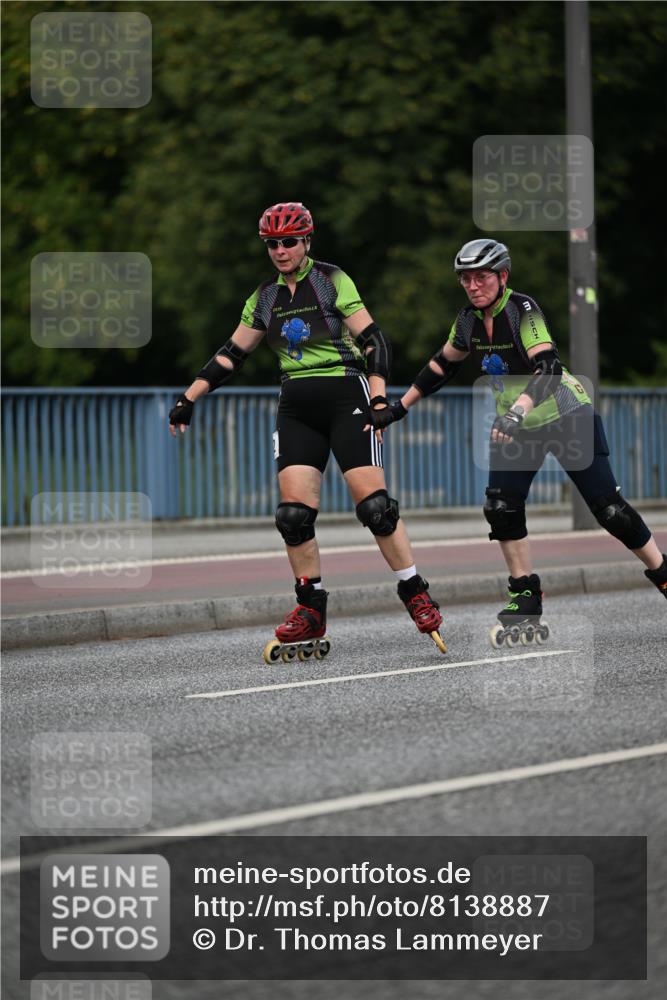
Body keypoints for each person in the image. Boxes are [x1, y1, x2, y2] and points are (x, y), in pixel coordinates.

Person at [168, 202, 445, 658]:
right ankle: (310, 607)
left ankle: (414, 591)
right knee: (292, 517)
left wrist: (378, 398)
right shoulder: (264, 298)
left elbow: (375, 341)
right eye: (272, 244)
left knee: (375, 508)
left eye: (289, 242)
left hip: (346, 394)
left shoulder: (331, 280)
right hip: (295, 402)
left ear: (307, 242)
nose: (280, 251)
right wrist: (189, 397)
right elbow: (231, 354)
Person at [369, 238, 667, 641]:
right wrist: (399, 407)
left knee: (608, 510)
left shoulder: (521, 310)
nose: (473, 286)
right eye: (465, 279)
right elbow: (442, 365)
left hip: (565, 415)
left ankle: (663, 574)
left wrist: (516, 411)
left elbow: (548, 367)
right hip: (518, 425)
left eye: (482, 277)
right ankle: (524, 595)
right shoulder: (467, 321)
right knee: (501, 506)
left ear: (502, 276)